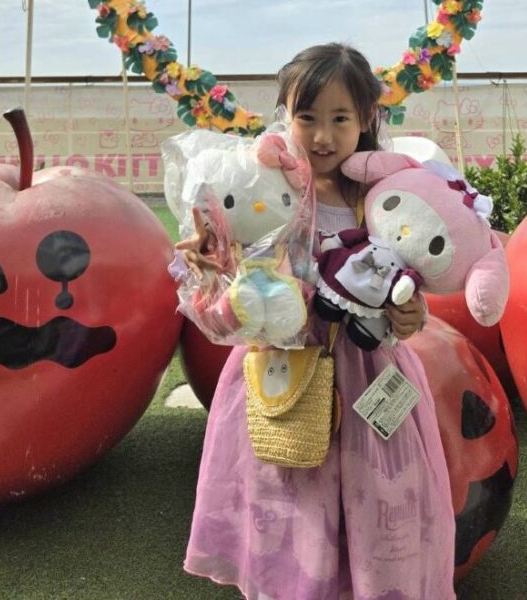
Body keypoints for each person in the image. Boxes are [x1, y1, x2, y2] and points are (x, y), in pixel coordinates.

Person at [177, 43, 457, 600]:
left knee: (372, 502)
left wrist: (410, 313)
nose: (323, 136)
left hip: (369, 373)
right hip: (282, 368)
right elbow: (219, 276)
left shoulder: (387, 197)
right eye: (308, 117)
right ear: (284, 113)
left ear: (367, 121)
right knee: (289, 497)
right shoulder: (263, 186)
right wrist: (210, 260)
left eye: (340, 119)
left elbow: (414, 289)